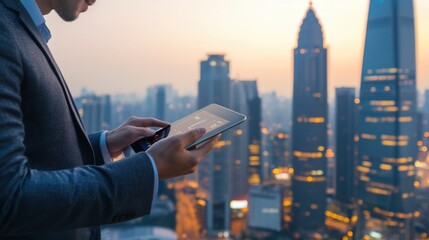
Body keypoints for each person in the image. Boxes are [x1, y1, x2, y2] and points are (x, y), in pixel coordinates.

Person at [0, 0, 220, 239]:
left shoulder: (21, 26)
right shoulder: (5, 30)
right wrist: (149, 169)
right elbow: (10, 197)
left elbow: (36, 155)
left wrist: (103, 147)